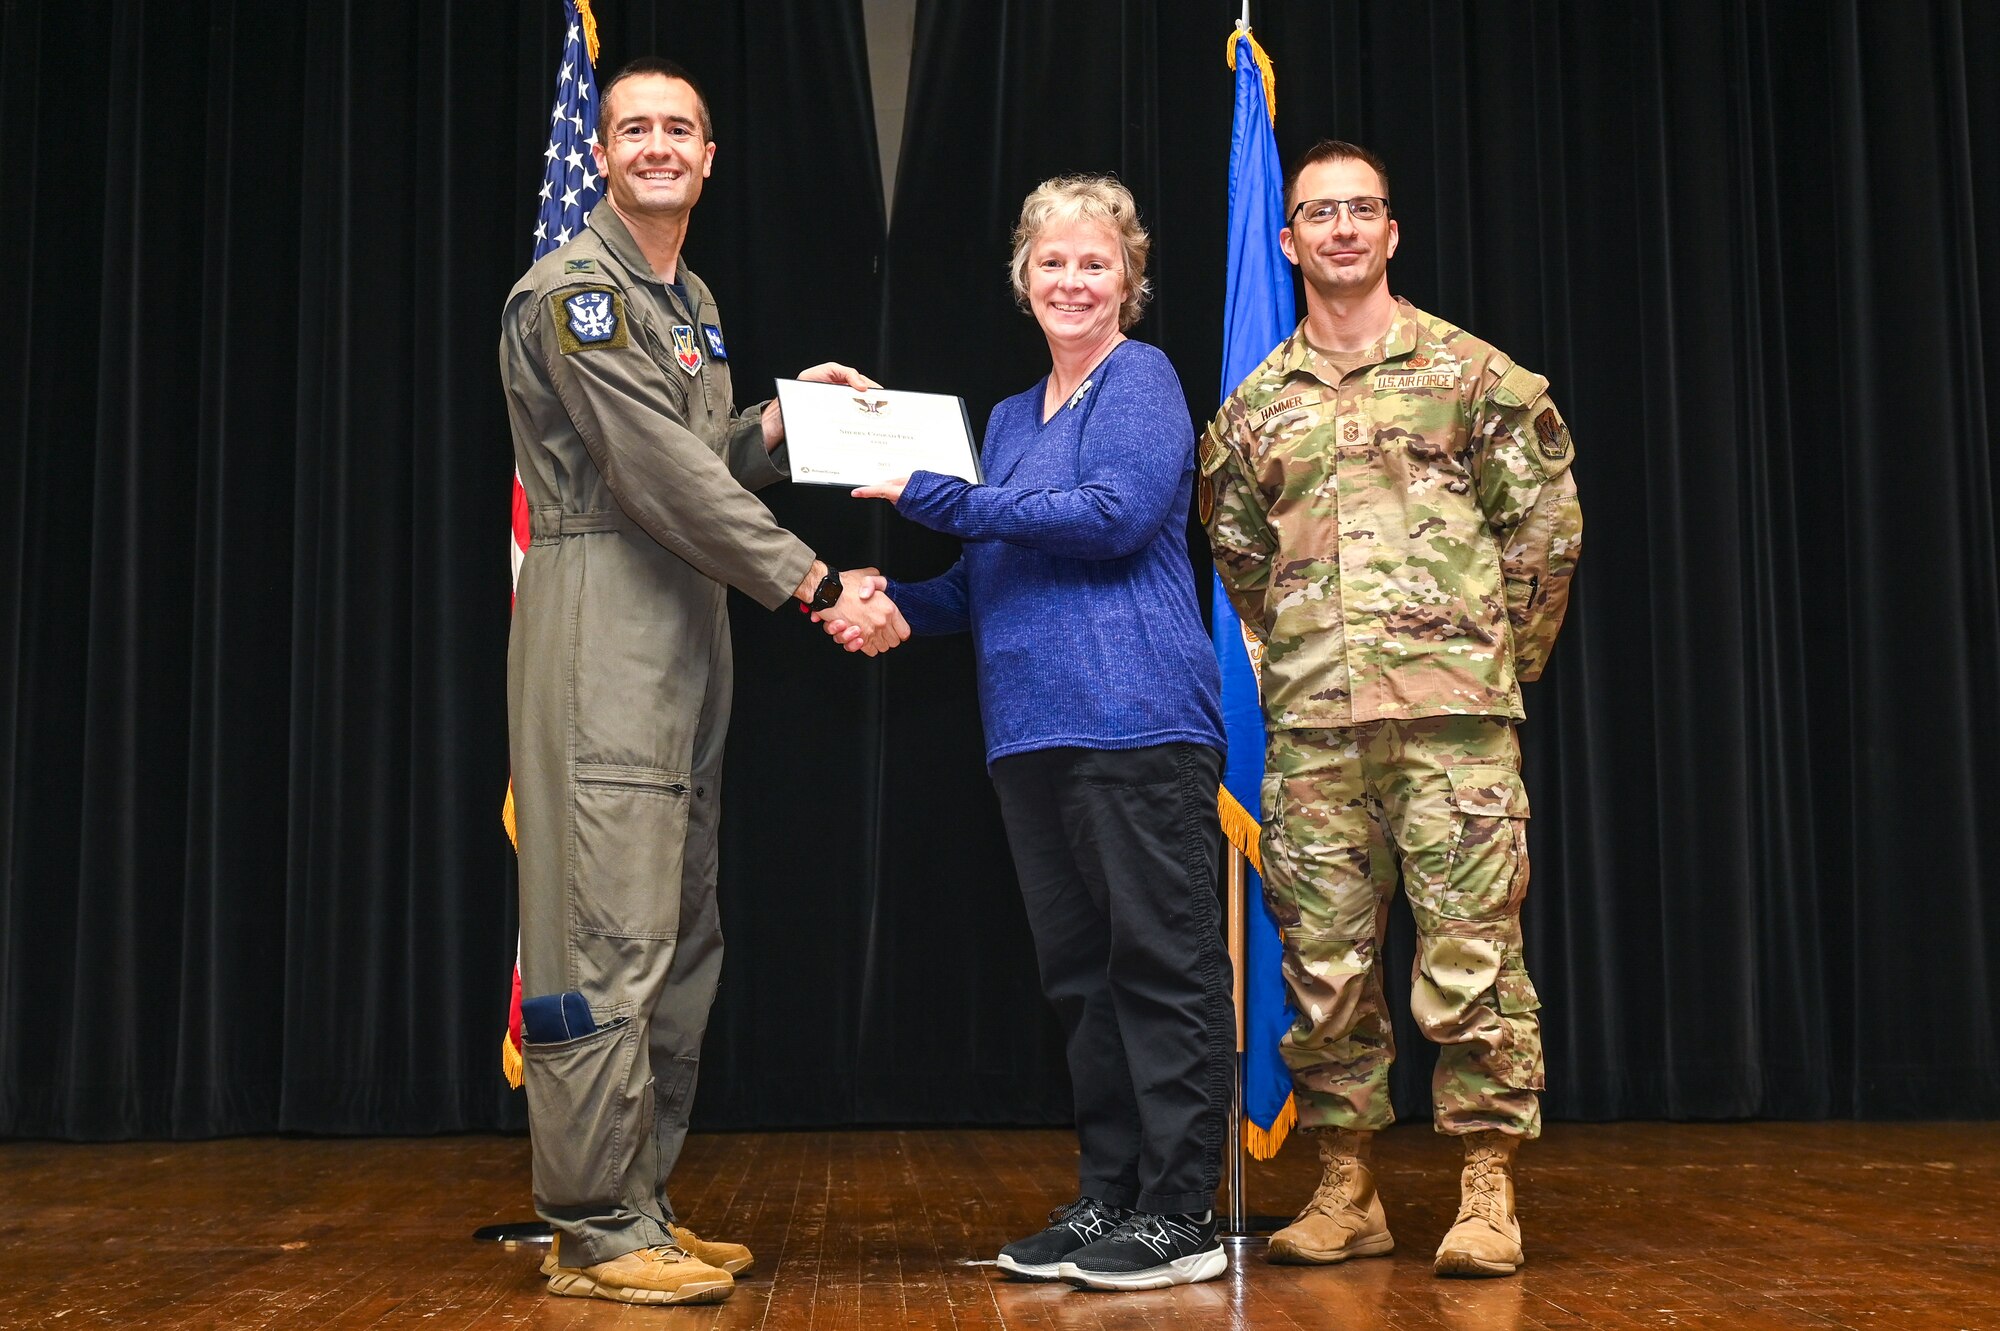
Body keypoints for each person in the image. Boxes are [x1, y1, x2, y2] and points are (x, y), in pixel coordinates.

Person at [500, 57, 908, 1307]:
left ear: (709, 157)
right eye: (636, 129)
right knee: (607, 929)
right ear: (605, 153)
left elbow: (704, 453)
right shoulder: (574, 292)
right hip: (605, 621)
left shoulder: (689, 296)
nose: (659, 145)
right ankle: (592, 1225)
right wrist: (814, 581)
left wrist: (785, 420)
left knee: (677, 932)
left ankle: (641, 1198)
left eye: (681, 128)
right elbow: (654, 478)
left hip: (684, 626)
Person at [825, 175, 1234, 1292]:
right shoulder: (1005, 421)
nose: (1071, 279)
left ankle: (1181, 1209)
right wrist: (897, 603)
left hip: (1135, 720)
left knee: (1162, 962)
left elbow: (1109, 519)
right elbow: (985, 570)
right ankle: (1112, 1191)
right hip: (1030, 734)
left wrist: (935, 496)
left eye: (1093, 262)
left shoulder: (1140, 381)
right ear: (1022, 279)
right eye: (1050, 262)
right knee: (1081, 978)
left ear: (1128, 283)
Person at [1201, 140, 1581, 1279]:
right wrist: (1319, 664)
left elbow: (1543, 537)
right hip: (1316, 731)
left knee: (1470, 958)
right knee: (1321, 964)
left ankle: (1484, 1187)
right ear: (1288, 237)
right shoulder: (1252, 410)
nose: (1340, 230)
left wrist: (1480, 662)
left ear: (1390, 230)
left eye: (1360, 210)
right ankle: (1345, 1184)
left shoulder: (1474, 379)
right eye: (1317, 213)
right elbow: (1241, 562)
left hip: (1455, 725)